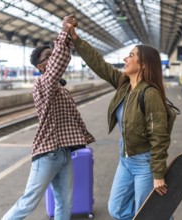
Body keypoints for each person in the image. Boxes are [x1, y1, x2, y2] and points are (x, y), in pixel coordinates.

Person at [67, 19, 172, 220]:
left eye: (131, 55)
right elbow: (99, 64)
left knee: (146, 214)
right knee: (117, 209)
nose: (125, 58)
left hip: (145, 162)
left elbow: (160, 136)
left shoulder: (150, 94)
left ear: (142, 64)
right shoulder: (124, 85)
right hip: (125, 159)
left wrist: (158, 174)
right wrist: (75, 38)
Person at [2, 15, 95, 220]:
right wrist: (64, 33)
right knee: (28, 203)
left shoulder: (60, 89)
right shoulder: (43, 84)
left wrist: (69, 36)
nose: (53, 57)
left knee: (64, 204)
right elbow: (59, 62)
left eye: (53, 54)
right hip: (47, 154)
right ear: (41, 66)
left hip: (64, 153)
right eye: (48, 56)